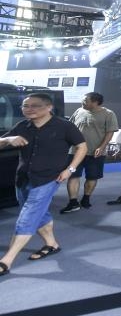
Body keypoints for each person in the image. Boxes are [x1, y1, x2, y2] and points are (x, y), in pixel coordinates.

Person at [0, 92, 87, 277]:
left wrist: (70, 170)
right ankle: (51, 244)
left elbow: (82, 147)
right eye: (25, 106)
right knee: (39, 213)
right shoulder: (22, 126)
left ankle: (6, 261)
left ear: (48, 108)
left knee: (27, 217)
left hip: (48, 179)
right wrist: (7, 139)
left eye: (34, 106)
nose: (28, 109)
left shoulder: (64, 126)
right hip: (23, 178)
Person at [60, 92, 118, 214]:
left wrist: (102, 147)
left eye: (86, 100)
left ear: (95, 102)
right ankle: (73, 202)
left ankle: (86, 198)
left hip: (95, 152)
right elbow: (70, 127)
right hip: (75, 151)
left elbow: (110, 132)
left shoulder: (108, 114)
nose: (82, 102)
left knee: (92, 176)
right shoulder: (79, 111)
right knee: (73, 175)